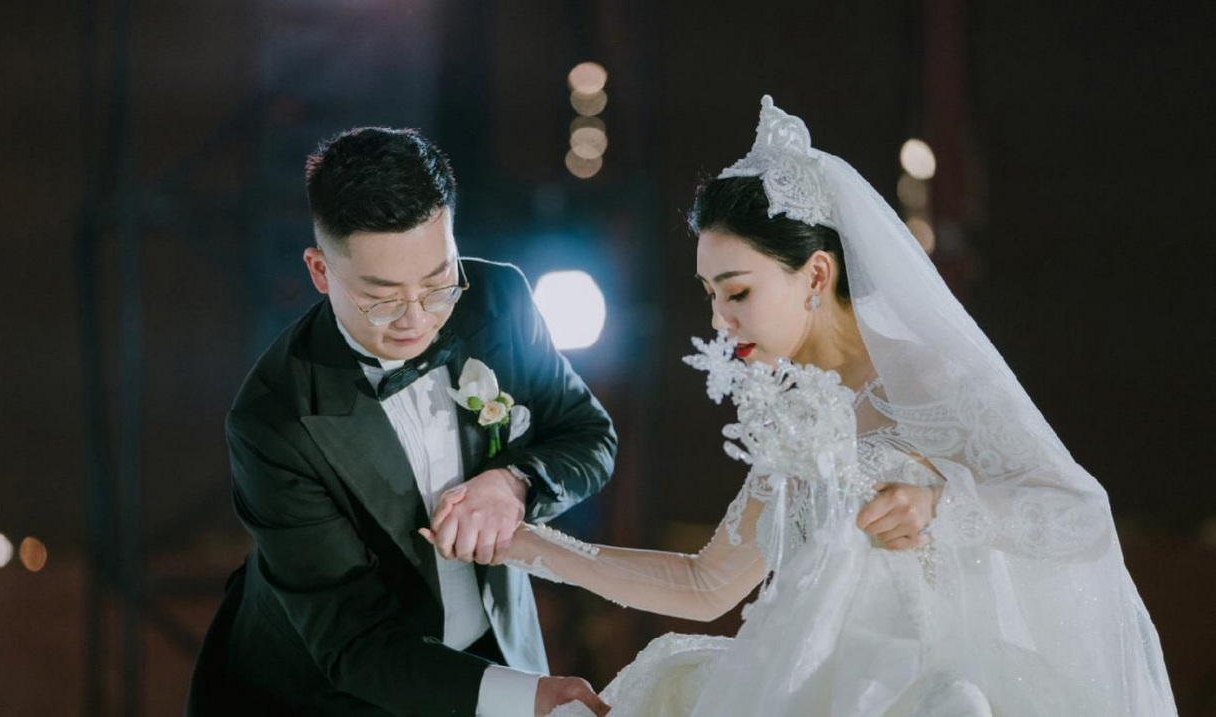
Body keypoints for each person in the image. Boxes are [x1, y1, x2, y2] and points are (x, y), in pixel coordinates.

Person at [425, 96, 1177, 716]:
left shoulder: (929, 377)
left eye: (738, 291)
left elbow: (1078, 511)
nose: (719, 321)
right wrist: (525, 545)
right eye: (710, 294)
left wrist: (941, 503)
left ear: (816, 274)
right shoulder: (791, 413)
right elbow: (707, 583)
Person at [187, 127, 616, 716]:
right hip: (331, 693)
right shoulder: (274, 420)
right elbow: (356, 644)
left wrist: (513, 482)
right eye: (384, 298)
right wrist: (524, 698)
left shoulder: (500, 300)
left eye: (438, 283)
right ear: (320, 270)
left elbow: (589, 437)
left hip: (497, 649)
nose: (418, 320)